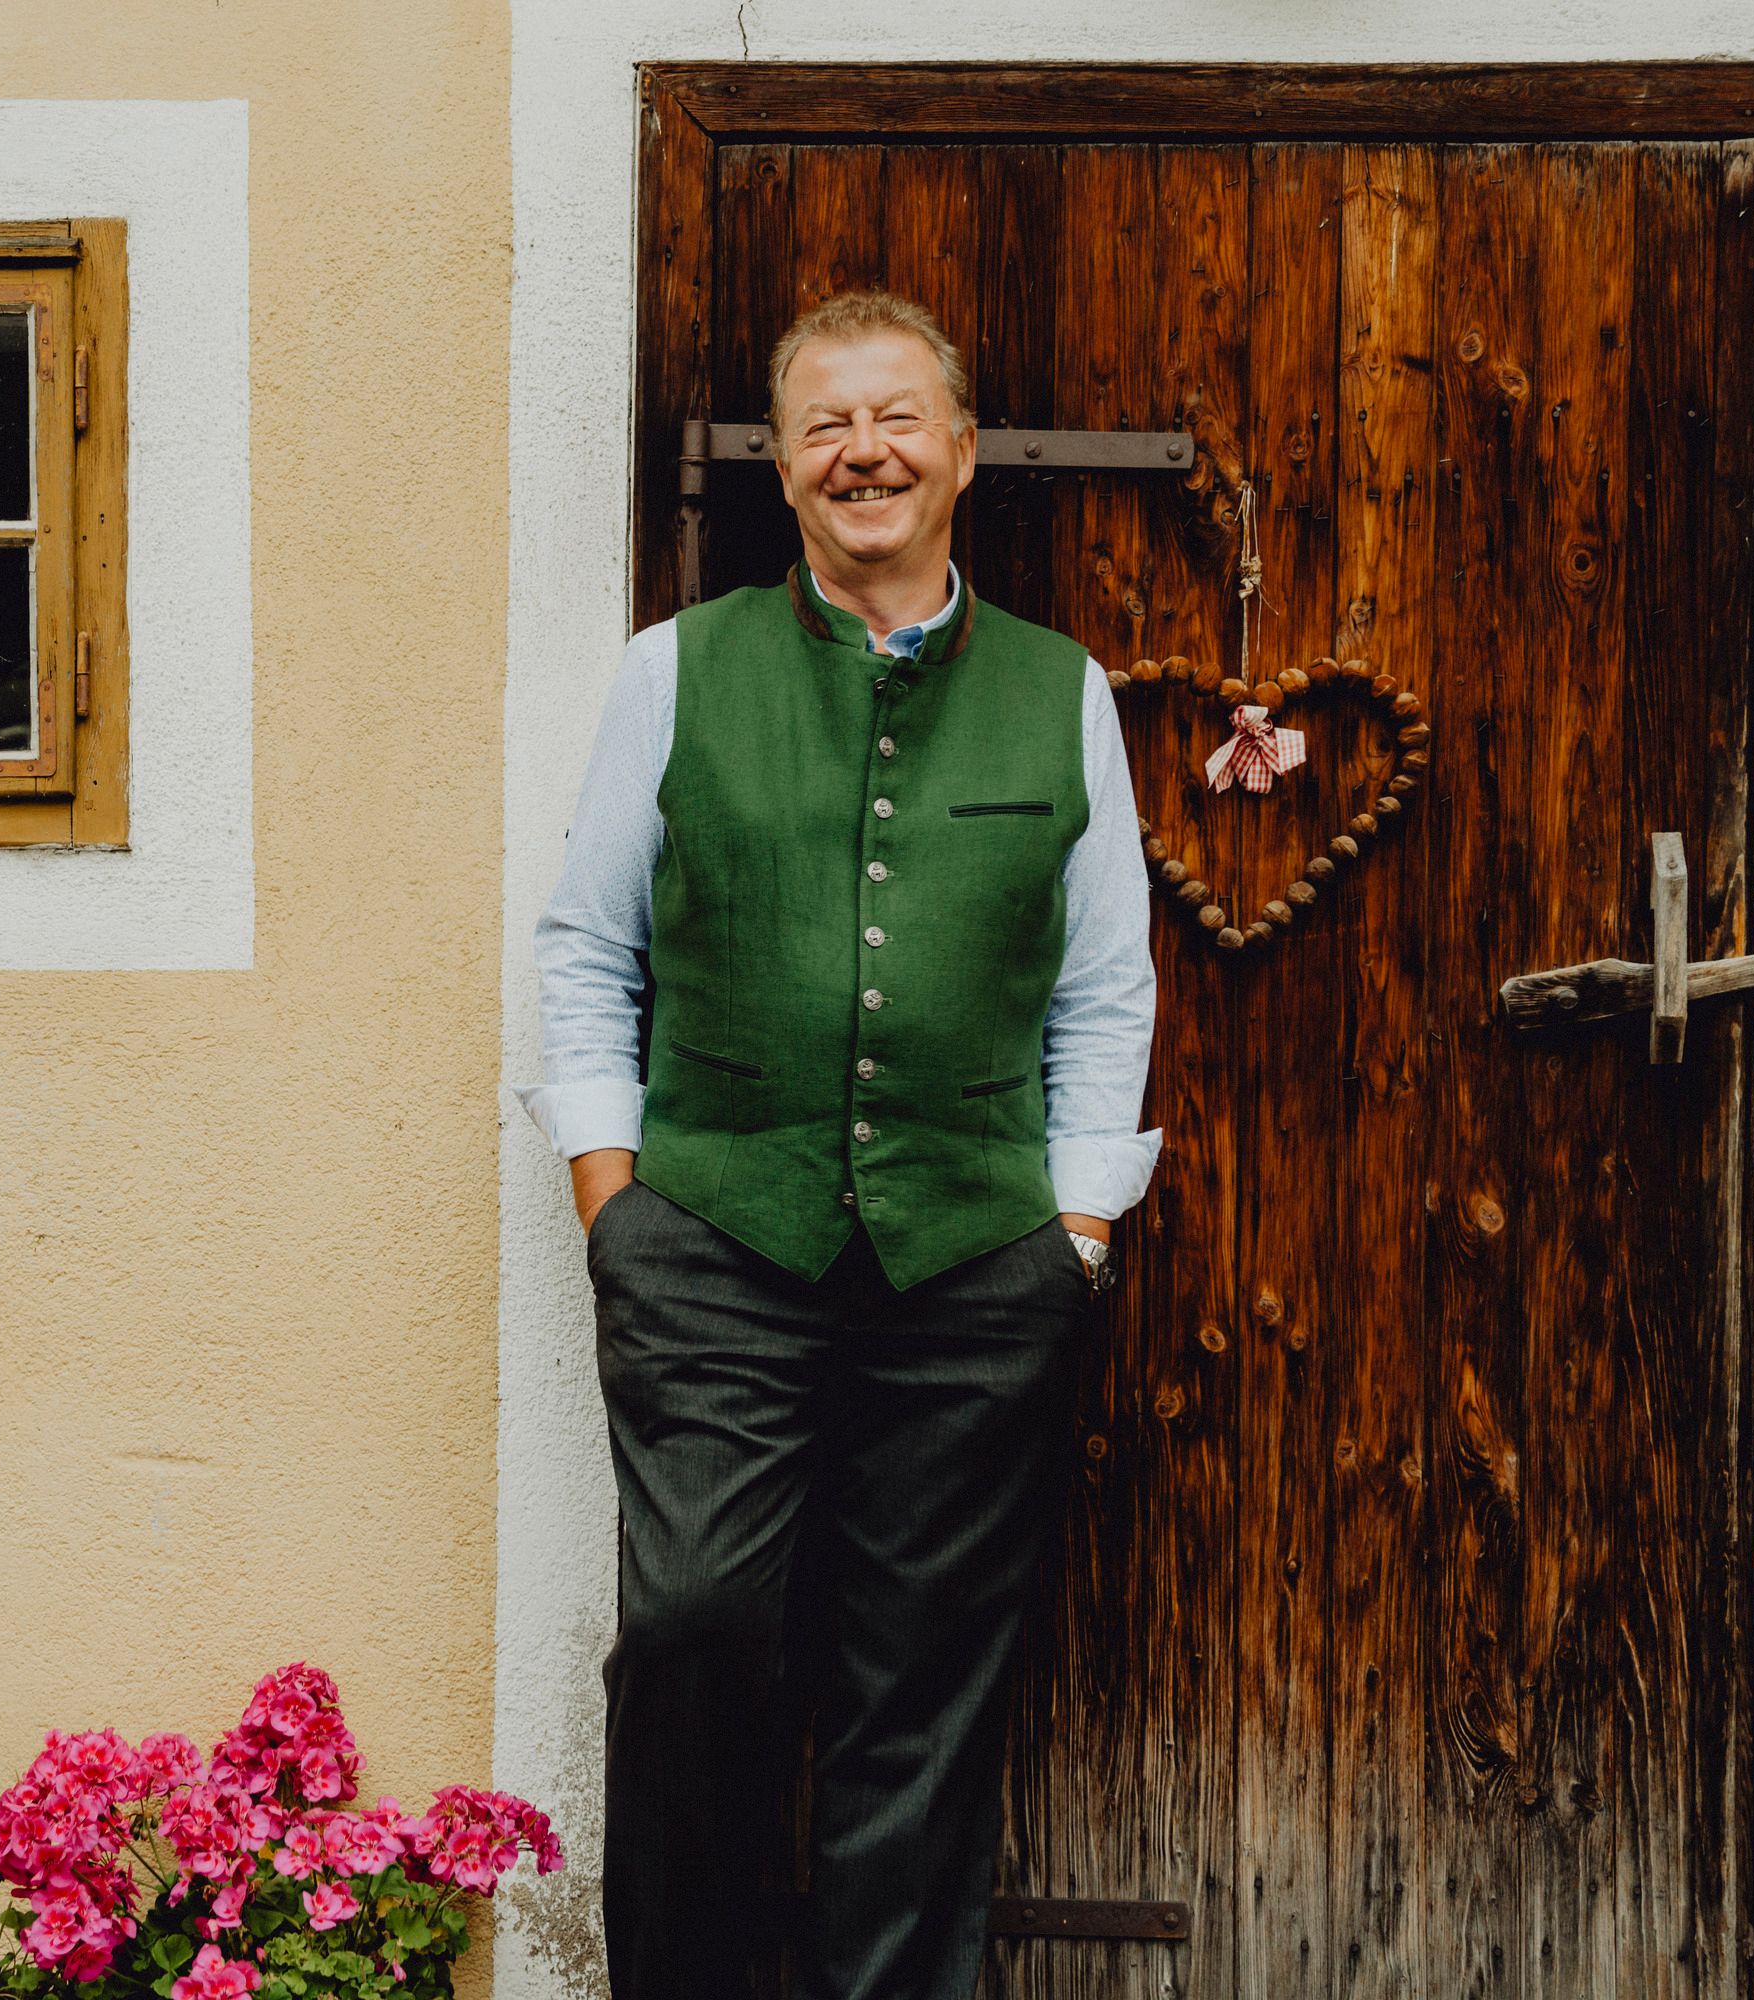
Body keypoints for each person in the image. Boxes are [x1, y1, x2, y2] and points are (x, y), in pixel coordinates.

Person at [520, 290, 1162, 1999]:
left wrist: (1077, 1228)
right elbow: (588, 943)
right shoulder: (676, 670)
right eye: (822, 425)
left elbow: (1104, 983)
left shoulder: (1059, 691)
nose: (861, 450)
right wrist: (615, 1199)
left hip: (976, 1263)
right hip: (713, 1242)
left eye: (894, 419)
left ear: (958, 452)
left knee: (924, 1680)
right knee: (696, 1634)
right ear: (783, 472)